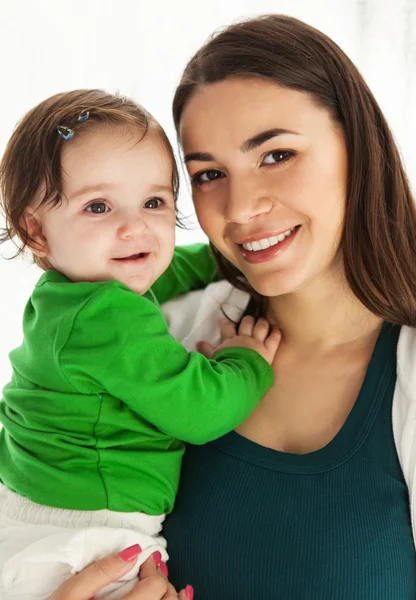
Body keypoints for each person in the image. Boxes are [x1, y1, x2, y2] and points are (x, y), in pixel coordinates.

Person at [50, 13, 416, 600]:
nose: (241, 206)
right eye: (208, 174)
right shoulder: (158, 334)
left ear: (358, 149)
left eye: (277, 155)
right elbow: (30, 513)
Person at [0, 89, 282, 599]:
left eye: (154, 202)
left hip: (36, 509)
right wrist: (246, 362)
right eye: (98, 206)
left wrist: (221, 258)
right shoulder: (106, 320)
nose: (135, 227)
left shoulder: (70, 295)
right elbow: (199, 410)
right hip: (88, 537)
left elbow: (160, 273)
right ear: (35, 231)